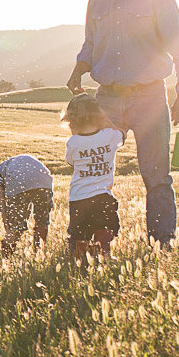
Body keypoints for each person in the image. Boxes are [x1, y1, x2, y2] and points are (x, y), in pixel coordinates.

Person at [63, 0, 179, 247]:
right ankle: (90, 241)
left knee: (156, 176)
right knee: (90, 170)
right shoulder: (96, 0)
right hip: (106, 98)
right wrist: (79, 68)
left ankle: (162, 242)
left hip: (150, 96)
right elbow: (90, 44)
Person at [60, 93, 123, 260]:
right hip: (103, 195)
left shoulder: (73, 142)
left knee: (79, 232)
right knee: (104, 226)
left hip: (79, 197)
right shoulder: (110, 136)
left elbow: (71, 161)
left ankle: (81, 256)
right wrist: (108, 121)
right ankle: (105, 253)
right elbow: (122, 135)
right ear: (99, 117)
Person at [0, 153, 53, 257]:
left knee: (15, 226)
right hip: (44, 180)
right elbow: (31, 191)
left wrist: (8, 224)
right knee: (42, 221)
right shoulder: (10, 164)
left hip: (18, 180)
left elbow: (1, 202)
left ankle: (7, 258)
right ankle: (39, 254)